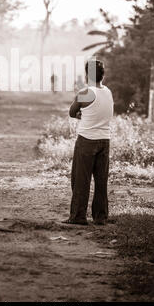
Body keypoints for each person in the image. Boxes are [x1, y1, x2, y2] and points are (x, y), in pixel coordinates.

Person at [63, 59, 114, 226]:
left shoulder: (85, 93)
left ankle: (78, 217)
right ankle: (100, 217)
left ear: (87, 75)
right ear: (102, 75)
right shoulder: (108, 92)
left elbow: (72, 112)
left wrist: (81, 115)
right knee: (101, 181)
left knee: (81, 180)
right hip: (104, 140)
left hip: (86, 140)